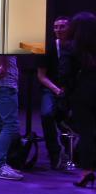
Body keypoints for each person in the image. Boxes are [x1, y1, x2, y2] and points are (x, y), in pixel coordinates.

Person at [60, 11, 96, 188]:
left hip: (83, 93)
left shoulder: (71, 48)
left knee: (87, 133)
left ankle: (87, 172)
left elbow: (65, 75)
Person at [38, 16, 71, 170]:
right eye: (56, 27)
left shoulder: (75, 47)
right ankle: (54, 153)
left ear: (70, 28)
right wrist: (56, 90)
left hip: (70, 89)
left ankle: (71, 152)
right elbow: (41, 76)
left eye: (62, 26)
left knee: (68, 120)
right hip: (51, 88)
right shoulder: (48, 48)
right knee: (46, 114)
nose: (58, 30)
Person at [0, 56, 23, 181]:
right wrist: (3, 68)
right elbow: (2, 67)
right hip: (5, 86)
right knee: (10, 125)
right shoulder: (4, 44)